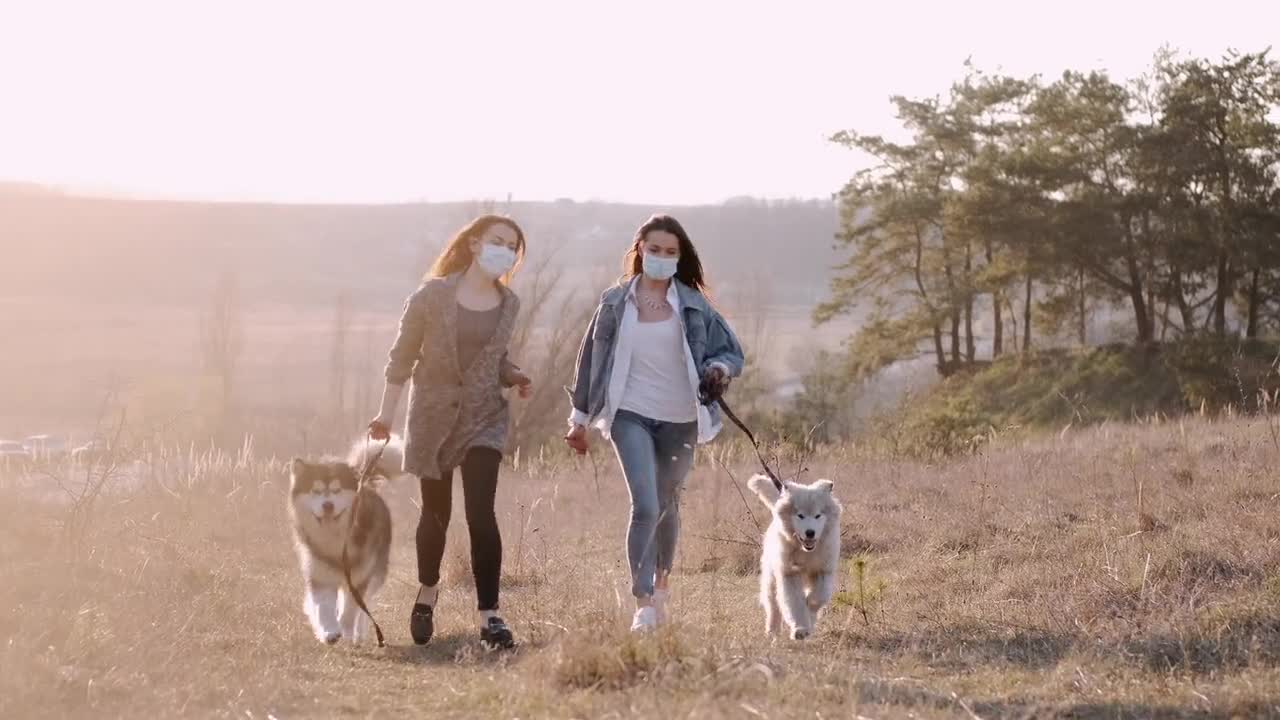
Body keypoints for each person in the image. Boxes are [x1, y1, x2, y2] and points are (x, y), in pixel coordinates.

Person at [564, 213, 745, 633]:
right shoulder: (614, 302)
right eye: (654, 250)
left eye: (669, 252)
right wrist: (579, 420)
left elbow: (731, 352)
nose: (660, 257)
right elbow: (590, 360)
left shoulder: (695, 305)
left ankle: (663, 585)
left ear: (679, 258)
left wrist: (718, 369)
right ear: (639, 250)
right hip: (630, 414)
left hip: (681, 417)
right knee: (645, 504)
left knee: (668, 505)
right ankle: (643, 601)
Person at [369, 214, 532, 650]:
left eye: (512, 246)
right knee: (435, 515)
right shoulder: (431, 295)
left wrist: (514, 375)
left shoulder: (509, 303)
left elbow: (495, 359)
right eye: (498, 241)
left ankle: (490, 617)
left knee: (481, 512)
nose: (505, 251)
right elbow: (401, 358)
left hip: (485, 417)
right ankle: (427, 593)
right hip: (433, 416)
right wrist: (385, 415)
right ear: (475, 244)